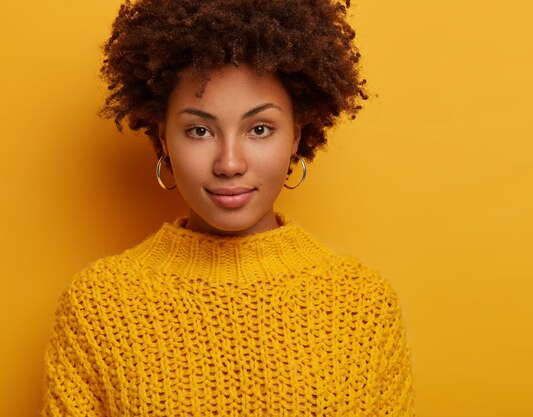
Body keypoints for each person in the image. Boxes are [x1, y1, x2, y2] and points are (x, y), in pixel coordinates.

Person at [41, 0, 416, 416]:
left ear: (296, 135)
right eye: (199, 130)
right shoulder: (99, 306)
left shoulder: (363, 305)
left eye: (259, 129)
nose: (230, 163)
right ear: (164, 137)